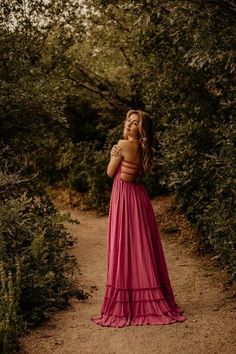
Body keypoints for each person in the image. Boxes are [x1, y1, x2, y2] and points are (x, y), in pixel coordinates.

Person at [91, 109, 186, 327]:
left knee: (124, 247)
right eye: (128, 120)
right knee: (141, 248)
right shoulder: (143, 148)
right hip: (139, 197)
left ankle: (129, 303)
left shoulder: (122, 145)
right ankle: (149, 297)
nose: (128, 124)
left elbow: (109, 172)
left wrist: (113, 155)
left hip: (124, 197)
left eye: (134, 123)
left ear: (140, 129)